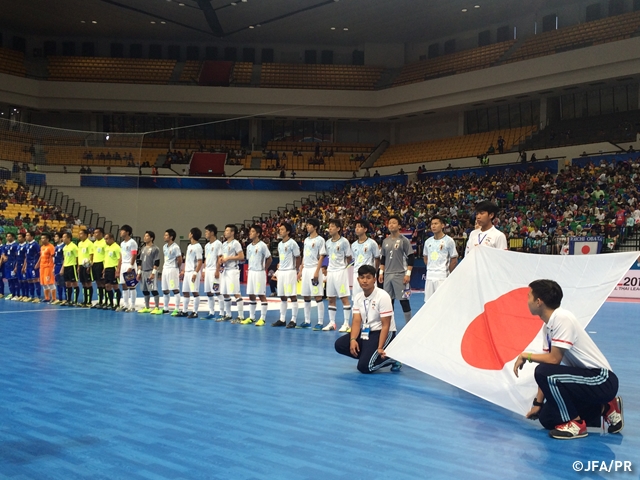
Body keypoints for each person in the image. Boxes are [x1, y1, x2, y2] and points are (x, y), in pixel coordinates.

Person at [513, 279, 623, 439]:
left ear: (538, 302)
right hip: (585, 379)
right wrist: (538, 404)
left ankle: (576, 424)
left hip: (602, 380)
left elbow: (553, 361)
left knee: (542, 370)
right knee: (546, 417)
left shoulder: (562, 318)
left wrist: (526, 355)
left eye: (529, 296)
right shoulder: (548, 327)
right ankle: (604, 408)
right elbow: (550, 370)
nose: (526, 300)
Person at [334, 265, 401, 373]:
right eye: (362, 277)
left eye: (368, 278)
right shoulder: (358, 297)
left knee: (364, 367)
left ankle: (391, 358)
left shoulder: (383, 296)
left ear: (374, 280)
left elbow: (386, 325)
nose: (365, 281)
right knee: (339, 345)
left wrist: (380, 347)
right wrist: (353, 340)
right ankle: (369, 356)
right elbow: (356, 321)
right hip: (367, 332)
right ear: (358, 279)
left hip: (383, 332)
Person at [378, 215, 414, 324]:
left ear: (399, 226)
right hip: (387, 275)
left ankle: (409, 324)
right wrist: (381, 272)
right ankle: (390, 325)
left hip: (400, 274)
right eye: (389, 223)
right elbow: (383, 259)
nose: (391, 225)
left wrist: (408, 274)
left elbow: (411, 257)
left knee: (404, 300)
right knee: (388, 302)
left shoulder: (404, 240)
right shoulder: (385, 241)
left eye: (394, 223)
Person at [322, 219, 353, 332]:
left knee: (344, 298)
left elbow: (349, 257)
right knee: (331, 298)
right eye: (329, 226)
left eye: (332, 226)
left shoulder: (344, 242)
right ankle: (332, 323)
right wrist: (325, 268)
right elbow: (326, 256)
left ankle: (346, 323)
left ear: (338, 228)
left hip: (340, 272)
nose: (330, 228)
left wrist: (343, 267)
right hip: (331, 272)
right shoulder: (328, 242)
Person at [299, 218, 326, 330]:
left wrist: (317, 271)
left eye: (310, 225)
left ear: (315, 227)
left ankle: (320, 322)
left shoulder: (320, 240)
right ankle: (307, 320)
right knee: (306, 295)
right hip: (306, 269)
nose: (307, 227)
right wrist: (301, 269)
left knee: (317, 295)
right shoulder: (306, 240)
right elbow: (304, 255)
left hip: (314, 269)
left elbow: (322, 256)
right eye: (307, 225)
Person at [423, 215, 458, 302]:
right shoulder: (428, 242)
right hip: (430, 277)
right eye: (432, 224)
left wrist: (446, 272)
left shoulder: (449, 241)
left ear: (442, 225)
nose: (433, 226)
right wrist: (431, 267)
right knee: (428, 303)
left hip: (442, 277)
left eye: (436, 223)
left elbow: (454, 259)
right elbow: (425, 257)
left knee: (442, 302)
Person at [272, 222, 300, 328]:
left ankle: (293, 319)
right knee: (282, 296)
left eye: (282, 229)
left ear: (288, 231)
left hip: (290, 271)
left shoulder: (292, 243)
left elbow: (298, 257)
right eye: (280, 229)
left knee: (292, 295)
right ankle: (282, 319)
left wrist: (296, 270)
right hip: (282, 272)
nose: (280, 231)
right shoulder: (280, 244)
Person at [243, 225, 272, 326]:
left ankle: (262, 318)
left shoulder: (262, 245)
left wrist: (264, 268)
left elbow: (269, 258)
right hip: (251, 272)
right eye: (250, 231)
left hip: (259, 272)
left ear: (258, 234)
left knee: (261, 294)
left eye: (253, 232)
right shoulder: (249, 247)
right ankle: (252, 317)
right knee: (251, 294)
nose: (250, 233)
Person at [218, 224, 245, 323]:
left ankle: (240, 316)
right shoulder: (224, 244)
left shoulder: (236, 243)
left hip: (233, 270)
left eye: (227, 230)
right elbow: (222, 256)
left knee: (236, 293)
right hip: (225, 270)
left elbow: (241, 256)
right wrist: (221, 260)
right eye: (225, 230)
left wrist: (229, 258)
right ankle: (228, 314)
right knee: (225, 293)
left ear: (232, 232)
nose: (225, 232)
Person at [350, 219, 380, 300]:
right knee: (357, 298)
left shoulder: (372, 243)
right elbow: (354, 259)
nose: (357, 229)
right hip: (357, 274)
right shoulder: (353, 245)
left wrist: (374, 271)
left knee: (372, 298)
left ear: (365, 229)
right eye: (356, 227)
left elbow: (377, 258)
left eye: (359, 227)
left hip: (369, 274)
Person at [177, 227, 203, 318]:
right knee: (185, 292)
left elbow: (200, 261)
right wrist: (184, 270)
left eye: (189, 233)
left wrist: (195, 273)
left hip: (193, 272)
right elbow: (188, 260)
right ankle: (184, 311)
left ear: (192, 234)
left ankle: (195, 312)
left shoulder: (198, 246)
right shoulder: (189, 246)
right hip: (187, 272)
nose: (188, 234)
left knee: (195, 292)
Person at [136, 231, 161, 314]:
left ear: (151, 238)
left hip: (150, 271)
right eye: (144, 236)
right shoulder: (143, 248)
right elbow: (139, 261)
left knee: (153, 289)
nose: (145, 237)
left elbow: (157, 262)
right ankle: (147, 307)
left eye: (147, 236)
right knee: (144, 289)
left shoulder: (155, 248)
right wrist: (139, 272)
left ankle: (157, 307)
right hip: (143, 271)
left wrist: (153, 273)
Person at [203, 224, 223, 320]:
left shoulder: (218, 244)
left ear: (212, 232)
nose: (205, 234)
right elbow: (206, 259)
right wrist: (204, 269)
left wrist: (217, 270)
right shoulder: (207, 245)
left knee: (217, 291)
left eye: (207, 232)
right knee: (208, 292)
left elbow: (219, 257)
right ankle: (211, 312)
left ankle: (222, 312)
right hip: (208, 270)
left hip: (214, 271)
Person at [162, 229, 182, 315]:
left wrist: (176, 268)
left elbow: (179, 259)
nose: (164, 236)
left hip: (172, 269)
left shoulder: (175, 247)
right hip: (165, 269)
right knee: (165, 289)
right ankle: (165, 308)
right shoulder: (164, 246)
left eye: (166, 235)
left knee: (174, 289)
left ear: (171, 237)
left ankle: (177, 308)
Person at [119, 225, 138, 312]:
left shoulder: (132, 242)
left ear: (127, 232)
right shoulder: (122, 243)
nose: (120, 232)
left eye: (122, 231)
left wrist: (131, 266)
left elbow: (134, 254)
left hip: (130, 264)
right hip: (123, 265)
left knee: (131, 285)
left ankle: (133, 305)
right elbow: (121, 256)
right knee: (123, 285)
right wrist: (119, 267)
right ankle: (125, 304)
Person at [103, 233, 122, 310]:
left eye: (107, 239)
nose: (105, 241)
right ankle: (110, 303)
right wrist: (104, 269)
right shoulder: (107, 248)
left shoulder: (116, 247)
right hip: (107, 268)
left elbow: (119, 259)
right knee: (107, 286)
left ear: (112, 239)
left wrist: (117, 270)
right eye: (105, 239)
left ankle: (117, 304)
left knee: (115, 286)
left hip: (113, 268)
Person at [62, 231, 80, 306]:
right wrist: (62, 268)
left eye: (64, 237)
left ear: (69, 238)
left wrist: (77, 267)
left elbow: (77, 257)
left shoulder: (74, 246)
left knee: (74, 283)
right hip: (66, 266)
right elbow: (65, 258)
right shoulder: (64, 247)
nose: (63, 239)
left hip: (72, 266)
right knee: (67, 284)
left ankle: (75, 301)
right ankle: (68, 300)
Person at [35, 232, 55, 303]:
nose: (42, 240)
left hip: (48, 267)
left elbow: (53, 257)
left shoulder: (51, 247)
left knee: (50, 282)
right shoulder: (42, 247)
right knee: (43, 283)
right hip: (42, 267)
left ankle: (54, 298)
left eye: (43, 238)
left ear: (47, 239)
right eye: (41, 238)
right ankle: (47, 298)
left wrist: (53, 266)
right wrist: (38, 264)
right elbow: (41, 256)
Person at [77, 228, 94, 307]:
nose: (80, 235)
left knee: (88, 283)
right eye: (79, 234)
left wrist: (89, 266)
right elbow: (80, 255)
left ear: (86, 235)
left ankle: (89, 301)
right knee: (83, 283)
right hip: (81, 265)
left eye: (81, 234)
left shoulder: (90, 243)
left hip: (86, 265)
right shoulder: (79, 243)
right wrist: (78, 266)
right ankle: (84, 300)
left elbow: (91, 255)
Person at [23, 231, 42, 302]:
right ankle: (32, 296)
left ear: (32, 236)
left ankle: (39, 297)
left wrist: (37, 264)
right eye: (26, 235)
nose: (26, 237)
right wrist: (25, 266)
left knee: (36, 280)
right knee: (29, 280)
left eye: (28, 235)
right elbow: (26, 257)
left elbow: (40, 255)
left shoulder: (35, 244)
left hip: (34, 265)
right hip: (28, 265)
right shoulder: (27, 245)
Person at [91, 228, 107, 309]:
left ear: (101, 233)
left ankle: (106, 301)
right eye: (94, 233)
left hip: (102, 263)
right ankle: (100, 300)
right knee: (98, 283)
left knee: (104, 283)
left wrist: (104, 266)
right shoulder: (94, 243)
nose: (95, 234)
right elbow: (93, 255)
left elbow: (106, 255)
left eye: (97, 233)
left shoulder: (105, 242)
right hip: (95, 264)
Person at [51, 233, 66, 304]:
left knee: (64, 283)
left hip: (62, 266)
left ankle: (66, 299)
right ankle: (60, 299)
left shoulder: (64, 246)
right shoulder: (56, 247)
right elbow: (55, 259)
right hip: (56, 266)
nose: (55, 238)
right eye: (54, 237)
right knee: (58, 283)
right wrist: (54, 267)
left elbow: (65, 258)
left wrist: (62, 268)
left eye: (56, 236)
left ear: (61, 238)